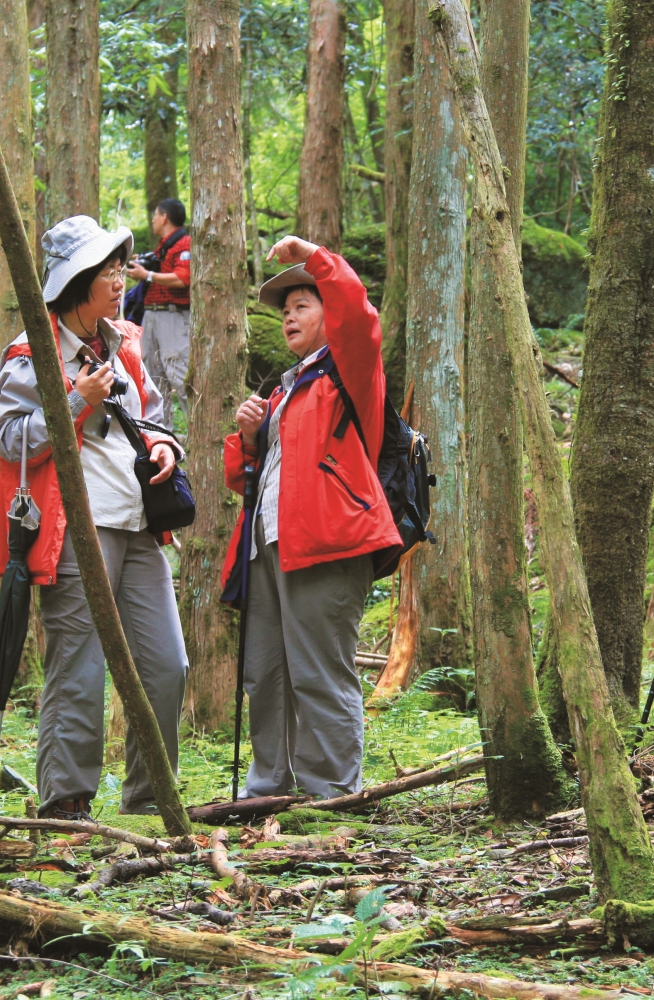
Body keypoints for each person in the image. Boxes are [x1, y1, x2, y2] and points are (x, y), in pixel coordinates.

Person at [0, 215, 188, 819]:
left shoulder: (123, 340)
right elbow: (3, 438)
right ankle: (66, 803)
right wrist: (77, 400)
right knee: (80, 666)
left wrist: (164, 446)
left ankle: (151, 802)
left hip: (139, 525)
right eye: (109, 271)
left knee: (166, 664)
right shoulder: (34, 352)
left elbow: (150, 416)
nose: (121, 279)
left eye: (121, 268)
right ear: (78, 282)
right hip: (74, 530)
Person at [220, 235, 402, 800]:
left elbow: (360, 315)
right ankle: (270, 787)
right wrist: (249, 438)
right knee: (266, 673)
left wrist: (313, 254)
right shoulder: (284, 389)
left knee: (321, 670)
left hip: (328, 541)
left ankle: (330, 794)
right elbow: (251, 478)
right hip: (268, 544)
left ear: (329, 311)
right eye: (285, 310)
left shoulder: (349, 368)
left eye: (303, 305)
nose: (289, 318)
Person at [126, 198, 191, 430]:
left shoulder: (184, 243)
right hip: (152, 316)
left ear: (164, 217)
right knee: (153, 381)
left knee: (180, 377)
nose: (153, 220)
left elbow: (183, 278)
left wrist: (148, 275)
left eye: (155, 215)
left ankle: (197, 435)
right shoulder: (163, 246)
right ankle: (162, 437)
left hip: (173, 318)